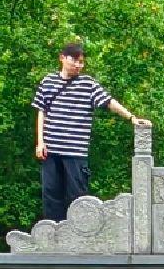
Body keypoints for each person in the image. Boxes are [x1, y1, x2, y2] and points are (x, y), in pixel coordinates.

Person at [32, 41, 145, 222]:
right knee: (51, 196)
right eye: (74, 60)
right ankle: (53, 238)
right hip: (51, 150)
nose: (78, 65)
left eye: (81, 62)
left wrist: (131, 117)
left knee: (78, 198)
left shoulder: (87, 84)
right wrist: (40, 142)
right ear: (62, 58)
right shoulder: (48, 81)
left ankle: (79, 236)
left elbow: (108, 102)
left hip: (75, 152)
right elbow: (41, 111)